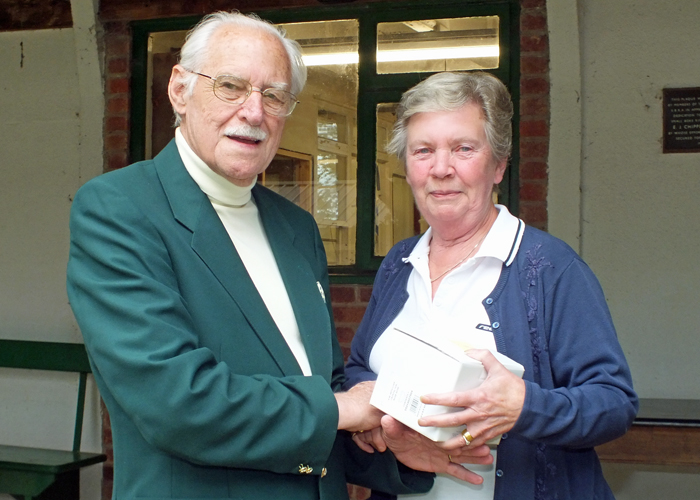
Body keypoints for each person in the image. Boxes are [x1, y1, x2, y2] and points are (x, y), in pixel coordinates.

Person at [66, 12, 487, 500]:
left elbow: (324, 390)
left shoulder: (295, 227)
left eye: (274, 95)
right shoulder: (120, 209)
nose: (253, 111)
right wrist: (344, 409)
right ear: (179, 90)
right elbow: (177, 403)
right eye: (230, 86)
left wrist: (391, 450)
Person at [344, 71, 638, 500]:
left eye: (463, 148)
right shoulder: (397, 265)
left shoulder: (551, 269)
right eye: (423, 150)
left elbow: (614, 403)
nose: (441, 169)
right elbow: (359, 369)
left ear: (498, 165)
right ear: (407, 167)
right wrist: (375, 419)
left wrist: (524, 407)